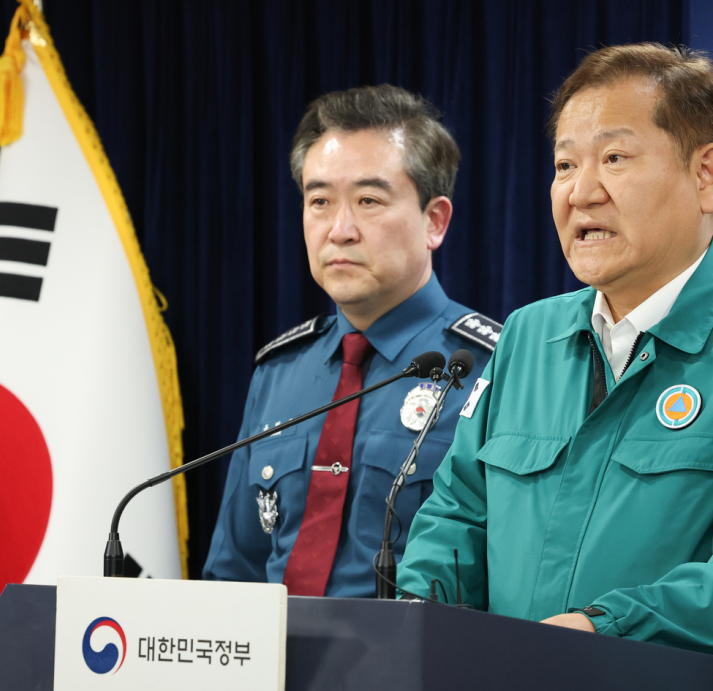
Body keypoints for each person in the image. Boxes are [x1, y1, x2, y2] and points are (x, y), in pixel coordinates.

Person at [398, 44, 713, 691]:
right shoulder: (526, 335)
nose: (581, 191)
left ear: (707, 176)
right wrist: (423, 622)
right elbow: (457, 513)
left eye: (614, 158)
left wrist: (603, 632)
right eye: (565, 165)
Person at [203, 85, 499, 598]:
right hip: (274, 648)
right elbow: (236, 570)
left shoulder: (494, 368)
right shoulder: (279, 372)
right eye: (319, 201)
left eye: (368, 201)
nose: (339, 230)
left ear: (434, 221)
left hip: (416, 649)